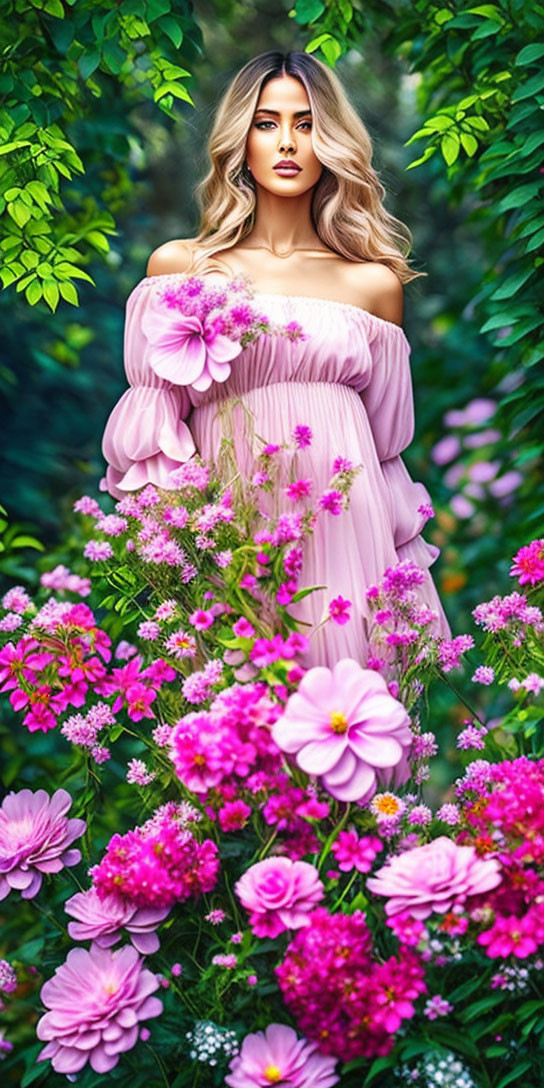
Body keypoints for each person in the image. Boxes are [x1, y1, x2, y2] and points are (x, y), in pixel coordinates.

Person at [101, 50, 452, 667]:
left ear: (332, 141)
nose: (287, 142)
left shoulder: (373, 284)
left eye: (307, 123)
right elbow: (155, 436)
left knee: (346, 724)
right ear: (241, 139)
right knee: (237, 730)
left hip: (348, 526)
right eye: (267, 123)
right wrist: (185, 542)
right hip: (234, 529)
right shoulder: (184, 268)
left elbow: (386, 445)